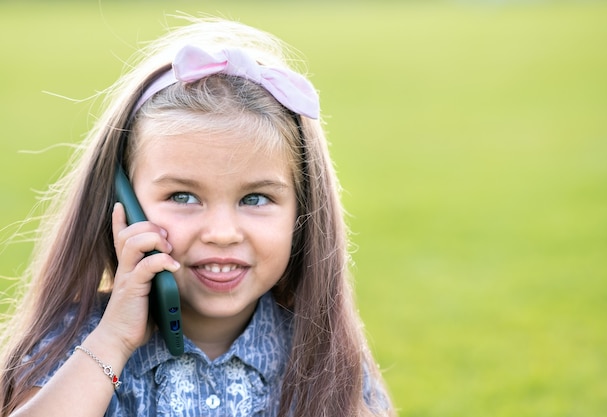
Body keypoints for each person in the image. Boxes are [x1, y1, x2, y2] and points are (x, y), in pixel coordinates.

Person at [0, 16, 394, 417]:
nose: (222, 233)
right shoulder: (75, 340)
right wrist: (113, 342)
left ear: (303, 213)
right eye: (183, 196)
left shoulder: (322, 356)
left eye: (256, 198)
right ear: (123, 204)